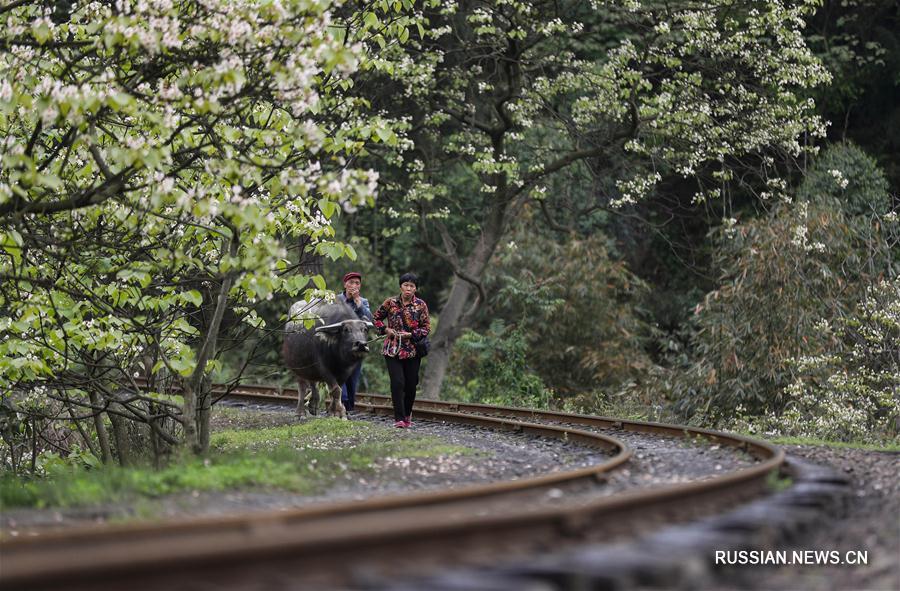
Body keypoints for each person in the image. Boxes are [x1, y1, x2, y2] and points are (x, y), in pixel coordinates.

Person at [373, 272, 430, 428]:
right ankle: (399, 419)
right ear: (401, 286)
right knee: (397, 383)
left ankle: (407, 415)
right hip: (392, 349)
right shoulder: (390, 303)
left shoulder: (421, 305)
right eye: (406, 285)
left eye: (412, 286)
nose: (408, 289)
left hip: (412, 350)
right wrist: (385, 330)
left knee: (411, 384)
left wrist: (411, 334)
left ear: (415, 289)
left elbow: (426, 328)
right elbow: (375, 319)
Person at [338, 271, 373, 413]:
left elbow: (369, 320)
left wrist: (359, 304)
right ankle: (343, 402)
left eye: (357, 283)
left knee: (353, 376)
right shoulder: (336, 299)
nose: (354, 286)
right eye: (351, 282)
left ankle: (350, 405)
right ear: (345, 284)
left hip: (357, 345)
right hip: (339, 345)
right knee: (340, 373)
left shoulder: (363, 301)